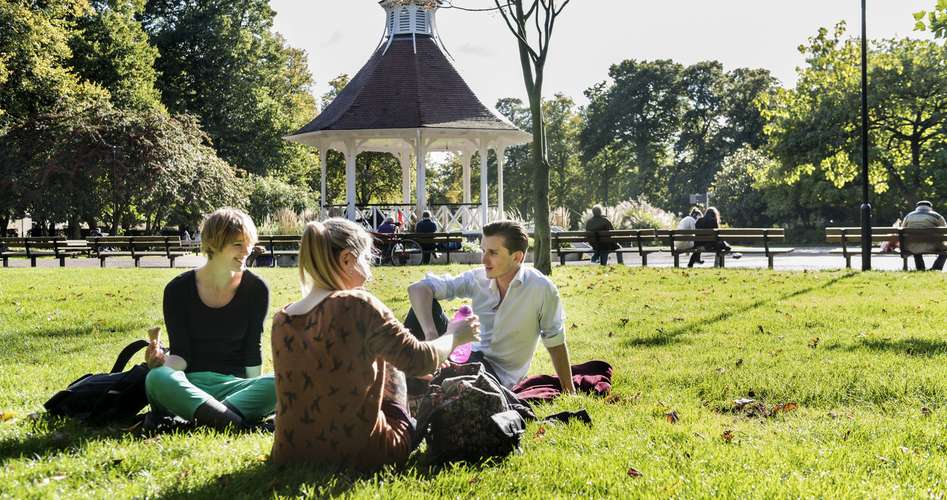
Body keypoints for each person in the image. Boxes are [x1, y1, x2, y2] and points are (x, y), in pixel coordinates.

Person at [270, 218, 479, 471]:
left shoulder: (282, 318)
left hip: (290, 454)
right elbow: (420, 360)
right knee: (394, 363)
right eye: (366, 260)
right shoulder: (358, 304)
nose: (369, 272)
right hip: (365, 453)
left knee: (380, 351)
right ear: (347, 259)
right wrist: (455, 336)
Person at [405, 220, 576, 393]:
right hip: (466, 356)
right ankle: (410, 393)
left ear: (517, 257)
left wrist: (570, 391)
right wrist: (431, 335)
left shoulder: (541, 288)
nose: (484, 259)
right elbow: (418, 288)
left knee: (457, 386)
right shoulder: (479, 278)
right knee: (422, 309)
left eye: (493, 252)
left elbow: (555, 343)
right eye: (483, 250)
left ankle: (422, 388)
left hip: (496, 375)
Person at [144, 208, 275, 430]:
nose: (247, 251)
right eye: (237, 244)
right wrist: (161, 362)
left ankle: (207, 418)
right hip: (187, 384)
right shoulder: (178, 289)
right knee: (156, 378)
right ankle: (238, 423)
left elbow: (253, 349)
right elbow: (181, 354)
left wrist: (255, 388)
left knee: (287, 379)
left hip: (235, 387)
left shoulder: (256, 288)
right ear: (213, 244)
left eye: (249, 244)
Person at [901, 201, 947, 271]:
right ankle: (936, 268)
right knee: (945, 251)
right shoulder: (936, 216)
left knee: (916, 245)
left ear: (917, 207)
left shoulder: (909, 216)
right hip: (931, 245)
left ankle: (920, 268)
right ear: (930, 207)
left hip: (911, 246)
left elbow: (903, 228)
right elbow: (944, 230)